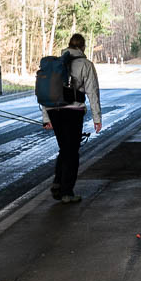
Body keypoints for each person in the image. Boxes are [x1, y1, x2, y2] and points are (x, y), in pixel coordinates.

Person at [42, 33, 102, 203]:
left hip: (54, 111)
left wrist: (46, 118)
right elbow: (93, 93)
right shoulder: (86, 65)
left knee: (64, 149)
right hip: (73, 112)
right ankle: (67, 191)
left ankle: (58, 183)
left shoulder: (54, 64)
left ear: (68, 45)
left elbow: (47, 91)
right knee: (72, 152)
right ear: (82, 47)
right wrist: (97, 118)